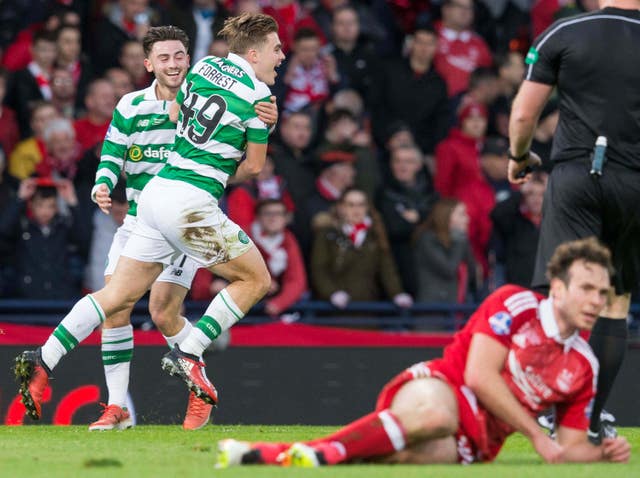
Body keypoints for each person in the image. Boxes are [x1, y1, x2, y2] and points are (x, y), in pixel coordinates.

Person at [13, 15, 282, 425]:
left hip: (153, 200)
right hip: (190, 203)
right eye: (276, 48)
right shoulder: (257, 95)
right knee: (256, 279)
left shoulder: (206, 68)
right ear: (254, 52)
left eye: (179, 56)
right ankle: (189, 351)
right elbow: (254, 168)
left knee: (120, 298)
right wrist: (262, 127)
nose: (282, 55)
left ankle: (43, 360)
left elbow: (177, 110)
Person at [215, 238, 631, 467]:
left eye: (602, 293)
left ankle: (272, 455)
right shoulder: (516, 304)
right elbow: (479, 377)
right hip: (443, 387)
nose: (596, 301)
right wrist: (539, 436)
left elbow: (571, 446)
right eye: (586, 289)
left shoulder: (584, 366)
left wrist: (601, 454)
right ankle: (313, 453)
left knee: (394, 457)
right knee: (435, 416)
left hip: (476, 444)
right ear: (557, 288)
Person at [506, 0, 640, 443]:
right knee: (615, 301)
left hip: (577, 176)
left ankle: (553, 407)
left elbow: (525, 114)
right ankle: (591, 418)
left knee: (564, 292)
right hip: (634, 183)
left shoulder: (565, 33)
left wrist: (519, 157)